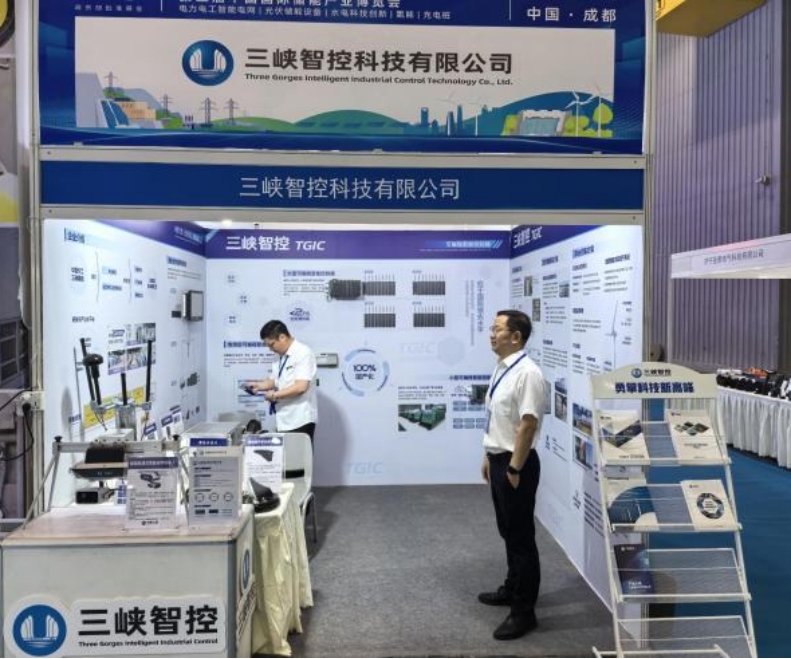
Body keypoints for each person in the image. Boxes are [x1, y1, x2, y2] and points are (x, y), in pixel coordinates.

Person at [478, 309, 546, 641]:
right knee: (507, 531)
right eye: (492, 328)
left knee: (521, 539)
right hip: (500, 459)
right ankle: (512, 587)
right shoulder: (502, 367)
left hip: (517, 464)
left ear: (516, 337)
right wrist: (489, 455)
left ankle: (523, 612)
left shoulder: (528, 373)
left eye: (498, 329)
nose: (492, 334)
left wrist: (514, 467)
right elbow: (499, 418)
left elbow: (528, 424)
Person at [247, 320, 318, 445]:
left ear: (282, 337)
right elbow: (275, 380)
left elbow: (301, 387)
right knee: (285, 456)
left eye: (271, 345)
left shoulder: (303, 353)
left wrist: (274, 395)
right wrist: (259, 386)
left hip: (300, 419)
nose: (270, 349)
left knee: (299, 457)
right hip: (284, 418)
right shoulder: (279, 355)